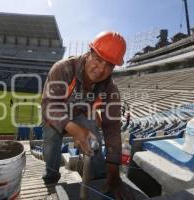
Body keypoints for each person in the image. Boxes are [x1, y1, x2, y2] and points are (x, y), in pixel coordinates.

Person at [41, 31, 134, 199]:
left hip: (79, 112)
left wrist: (114, 174)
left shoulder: (110, 88)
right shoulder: (63, 69)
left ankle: (100, 178)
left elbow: (112, 127)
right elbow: (49, 105)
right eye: (98, 60)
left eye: (109, 65)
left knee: (94, 136)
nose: (101, 70)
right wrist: (74, 129)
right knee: (51, 140)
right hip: (56, 111)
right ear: (89, 52)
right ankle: (51, 179)